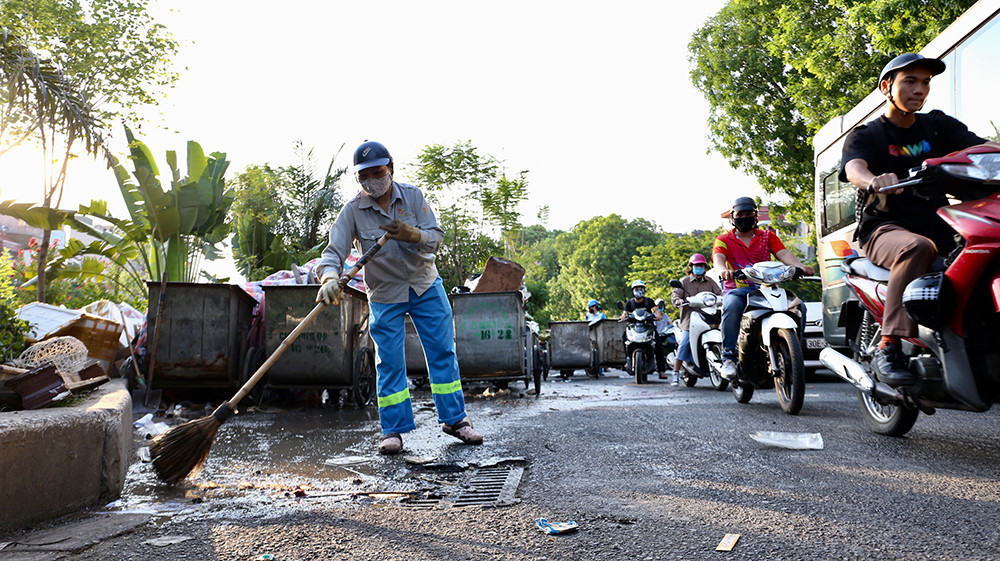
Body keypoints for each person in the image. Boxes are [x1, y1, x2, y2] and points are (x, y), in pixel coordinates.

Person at [840, 53, 999, 387]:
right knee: (917, 247)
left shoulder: (938, 126)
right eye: (910, 81)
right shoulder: (868, 134)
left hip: (940, 227)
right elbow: (854, 167)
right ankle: (889, 346)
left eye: (925, 82)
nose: (919, 89)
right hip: (884, 228)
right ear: (887, 87)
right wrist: (872, 180)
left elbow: (984, 149)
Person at [315, 140, 483, 455]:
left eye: (377, 172)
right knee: (389, 362)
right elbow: (333, 252)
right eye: (364, 176)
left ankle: (455, 420)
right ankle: (393, 430)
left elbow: (435, 238)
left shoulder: (413, 197)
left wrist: (413, 234)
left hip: (424, 284)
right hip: (384, 293)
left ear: (390, 168)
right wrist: (329, 278)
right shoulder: (352, 211)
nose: (371, 180)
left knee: (442, 352)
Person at [713, 197, 813, 379]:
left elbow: (784, 253)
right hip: (738, 290)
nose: (745, 217)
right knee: (732, 305)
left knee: (800, 307)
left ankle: (794, 350)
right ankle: (728, 357)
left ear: (756, 215)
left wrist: (800, 267)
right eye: (740, 214)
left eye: (749, 213)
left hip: (766, 289)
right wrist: (723, 270)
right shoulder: (723, 239)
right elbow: (718, 259)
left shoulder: (768, 236)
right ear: (733, 217)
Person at [670, 253, 722, 383]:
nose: (699, 267)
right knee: (685, 342)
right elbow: (675, 295)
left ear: (705, 267)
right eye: (696, 265)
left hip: (709, 316)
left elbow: (720, 294)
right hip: (690, 319)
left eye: (701, 265)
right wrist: (678, 301)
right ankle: (675, 372)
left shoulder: (710, 281)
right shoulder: (684, 282)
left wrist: (724, 299)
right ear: (691, 267)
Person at [619, 280, 663, 373]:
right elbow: (625, 313)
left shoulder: (649, 301)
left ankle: (661, 370)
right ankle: (628, 359)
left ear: (644, 290)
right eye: (636, 289)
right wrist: (623, 316)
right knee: (624, 337)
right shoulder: (630, 303)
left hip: (648, 327)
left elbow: (656, 310)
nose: (639, 291)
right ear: (633, 291)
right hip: (634, 327)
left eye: (641, 289)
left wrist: (658, 315)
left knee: (658, 344)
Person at [653, 299, 675, 383]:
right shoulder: (652, 316)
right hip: (655, 336)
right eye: (659, 305)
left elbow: (671, 324)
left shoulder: (665, 316)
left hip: (664, 335)